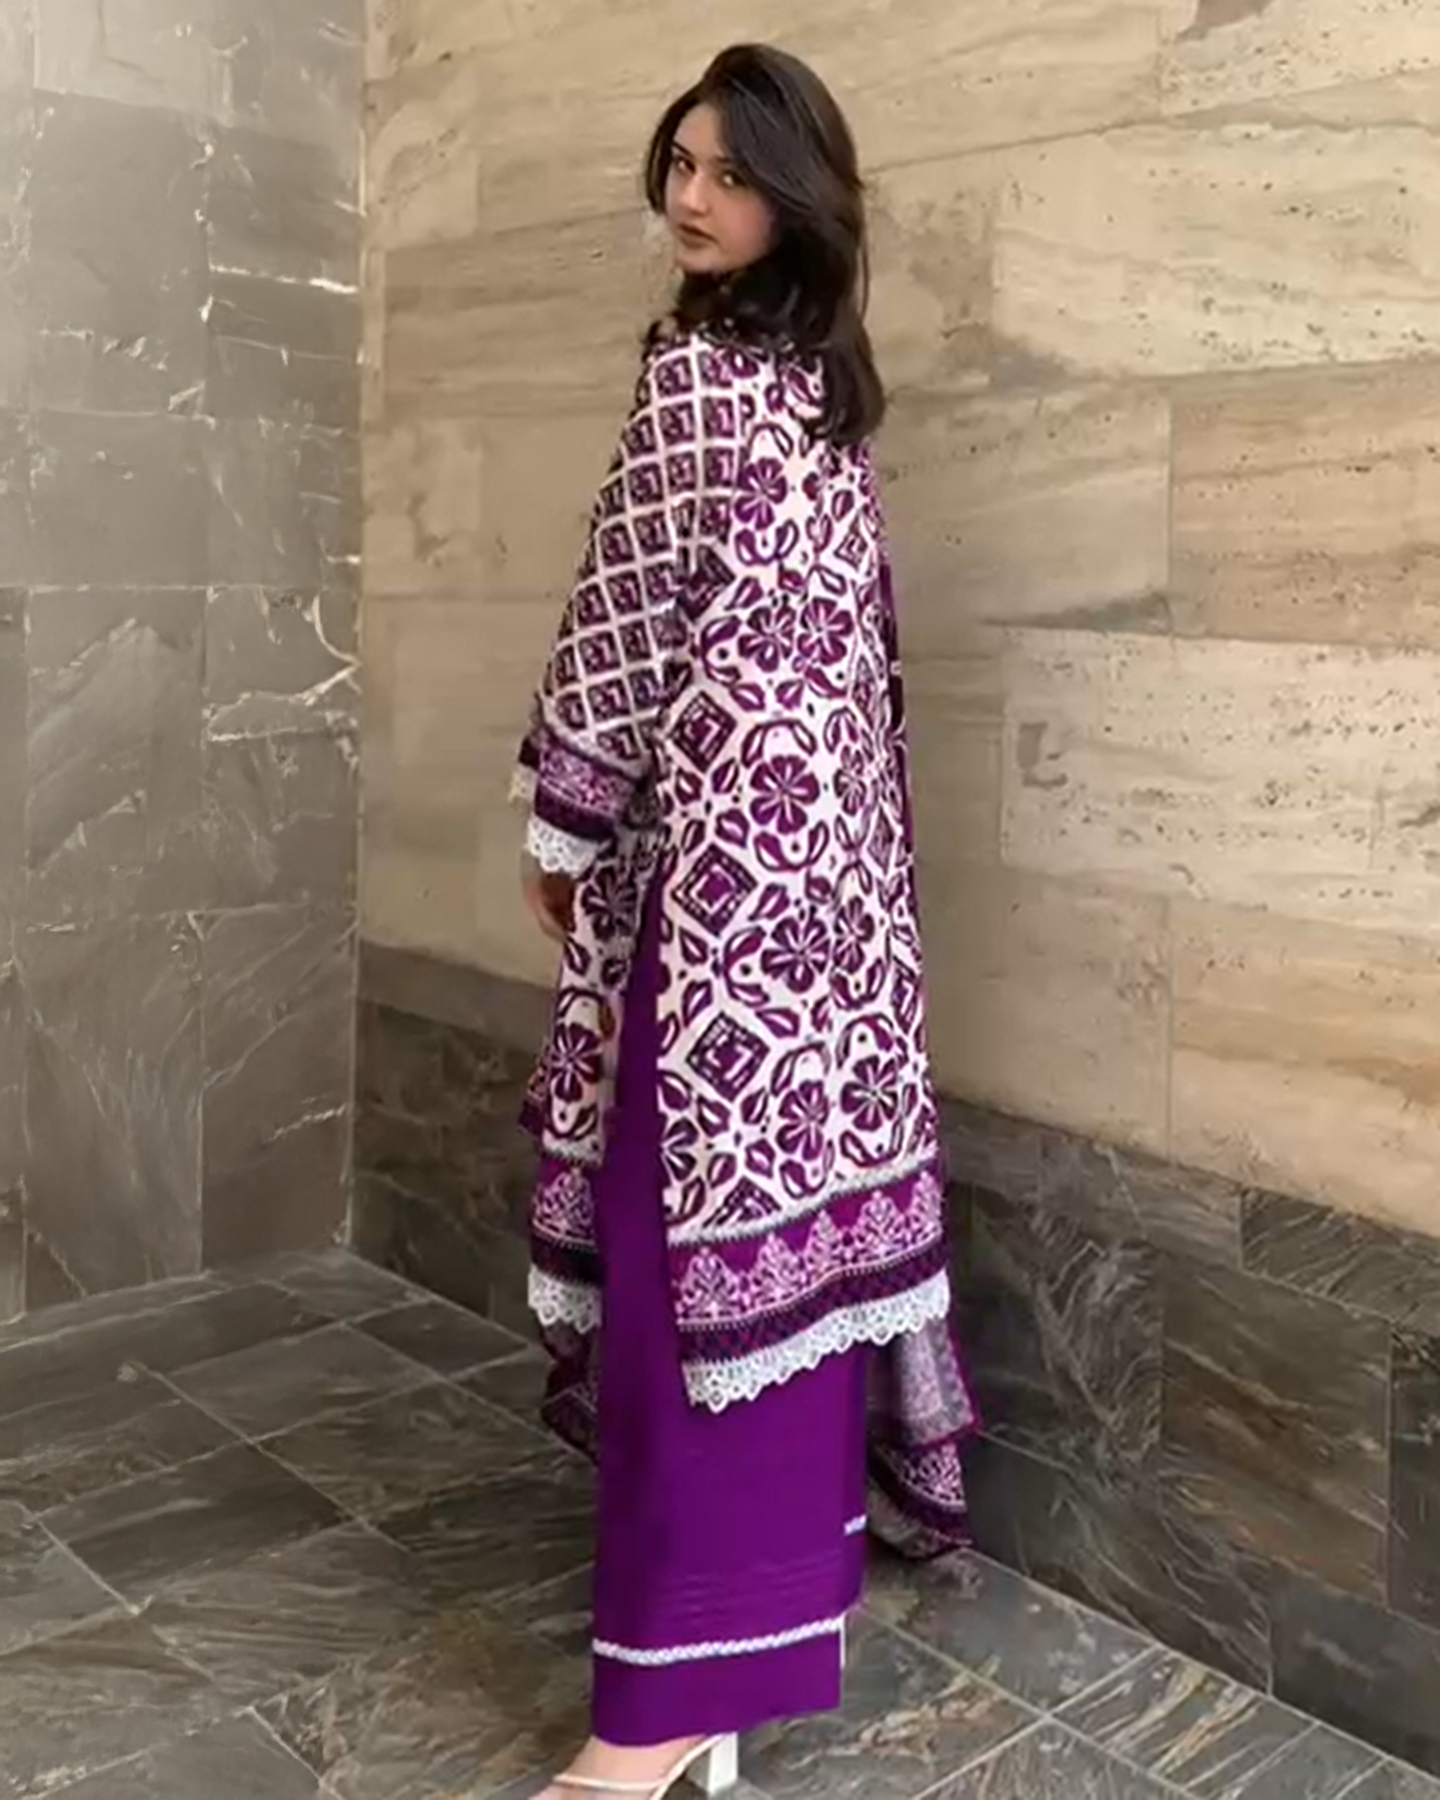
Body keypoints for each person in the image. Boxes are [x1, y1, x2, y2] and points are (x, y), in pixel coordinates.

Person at [510, 43, 978, 1800]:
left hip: (723, 932)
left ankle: (654, 1718)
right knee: (777, 1274)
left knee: (685, 1283)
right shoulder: (822, 405)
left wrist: (561, 824)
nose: (690, 198)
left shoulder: (709, 382)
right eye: (680, 165)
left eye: (726, 172)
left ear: (797, 195)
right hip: (826, 945)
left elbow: (623, 627)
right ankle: (735, 1667)